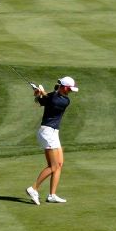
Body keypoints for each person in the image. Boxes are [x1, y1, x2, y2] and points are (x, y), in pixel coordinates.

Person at [26, 76, 78, 205]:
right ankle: (33, 188)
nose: (71, 91)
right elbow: (40, 102)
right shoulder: (53, 97)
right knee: (53, 166)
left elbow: (49, 101)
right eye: (70, 89)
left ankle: (52, 195)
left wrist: (41, 94)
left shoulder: (65, 101)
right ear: (65, 87)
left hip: (53, 133)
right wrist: (38, 94)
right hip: (47, 132)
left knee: (59, 164)